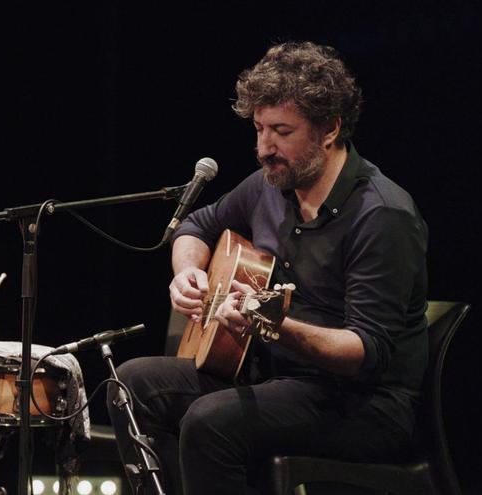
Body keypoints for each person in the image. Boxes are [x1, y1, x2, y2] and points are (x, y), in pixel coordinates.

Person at [107, 42, 428, 494]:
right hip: (274, 377)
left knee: (210, 420)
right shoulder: (270, 186)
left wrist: (273, 326)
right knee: (131, 384)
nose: (263, 148)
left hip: (361, 404)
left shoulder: (383, 216)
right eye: (258, 129)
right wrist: (186, 274)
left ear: (330, 128)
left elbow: (365, 351)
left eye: (281, 130)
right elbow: (195, 227)